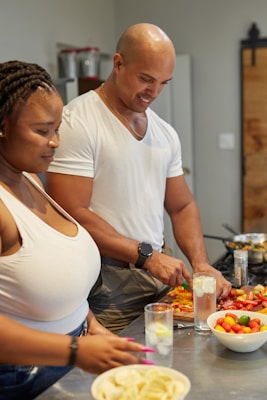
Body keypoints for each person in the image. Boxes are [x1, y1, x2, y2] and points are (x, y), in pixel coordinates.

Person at [46, 23, 232, 333]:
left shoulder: (165, 133)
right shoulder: (77, 123)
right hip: (107, 285)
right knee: (120, 371)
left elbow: (182, 205)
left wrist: (200, 263)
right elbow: (70, 215)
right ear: (118, 63)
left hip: (158, 270)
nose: (154, 93)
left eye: (163, 83)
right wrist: (145, 256)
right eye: (146, 79)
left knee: (168, 361)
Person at [0, 60, 152, 400]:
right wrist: (74, 350)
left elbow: (59, 273)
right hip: (19, 378)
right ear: (3, 127)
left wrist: (93, 329)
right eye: (42, 131)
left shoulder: (28, 179)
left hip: (65, 364)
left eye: (56, 130)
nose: (54, 142)